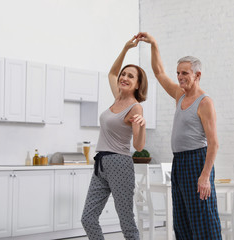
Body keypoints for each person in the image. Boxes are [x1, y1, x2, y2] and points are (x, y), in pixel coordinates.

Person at [137, 32, 222, 240]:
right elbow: (158, 72)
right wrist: (154, 44)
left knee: (203, 219)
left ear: (197, 75)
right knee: (182, 220)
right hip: (180, 162)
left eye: (185, 73)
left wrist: (204, 176)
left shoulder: (204, 103)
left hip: (197, 161)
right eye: (178, 73)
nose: (180, 77)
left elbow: (213, 143)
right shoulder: (179, 94)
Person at [81, 35, 147, 240]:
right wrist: (126, 48)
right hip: (101, 164)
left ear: (137, 84)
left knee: (126, 221)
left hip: (120, 163)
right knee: (88, 218)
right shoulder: (117, 97)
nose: (124, 78)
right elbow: (111, 72)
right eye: (124, 74)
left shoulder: (135, 106)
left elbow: (138, 145)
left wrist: (142, 126)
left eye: (130, 76)